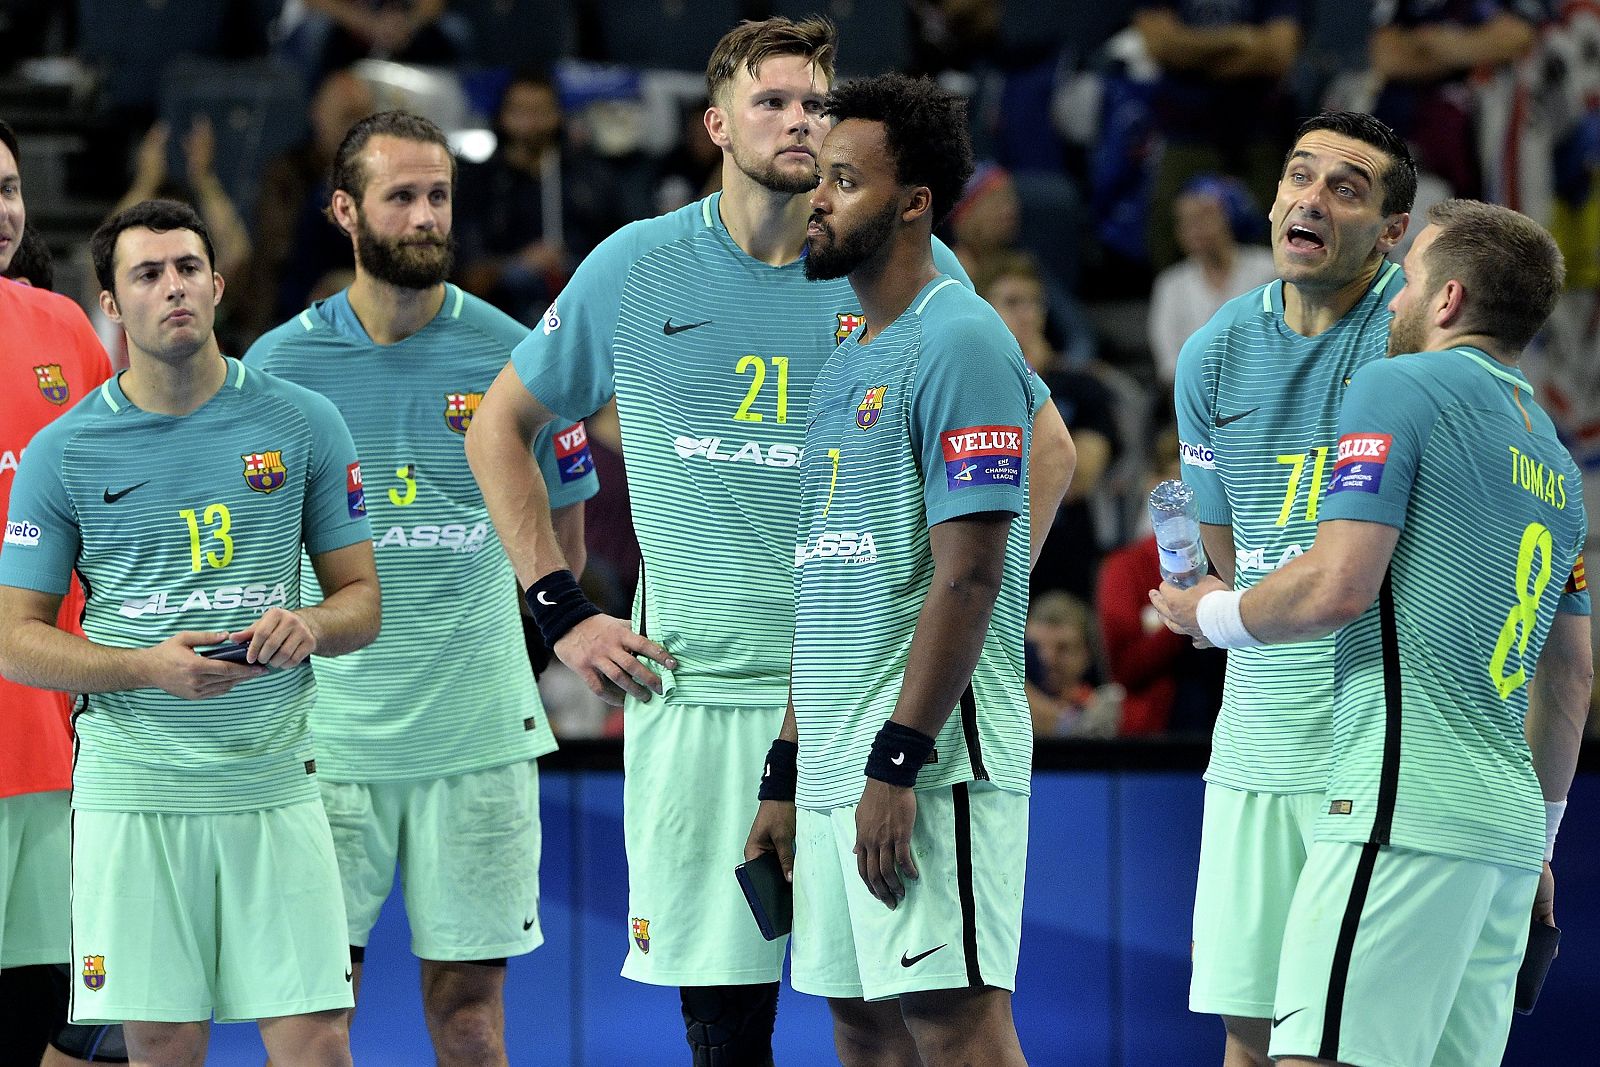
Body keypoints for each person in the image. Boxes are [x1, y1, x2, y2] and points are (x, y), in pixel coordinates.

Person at [464, 18, 1074, 1064]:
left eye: (816, 104)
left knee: (902, 1006)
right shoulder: (637, 266)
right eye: (774, 101)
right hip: (693, 691)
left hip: (864, 694)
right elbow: (496, 426)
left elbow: (1045, 448)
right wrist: (559, 608)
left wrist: (962, 593)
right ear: (714, 124)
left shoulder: (896, 271)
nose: (800, 120)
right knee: (730, 1013)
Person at [1153, 198, 1588, 1067]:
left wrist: (1210, 612)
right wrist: (1539, 845)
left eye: (1410, 282)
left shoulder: (1401, 384)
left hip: (1401, 803)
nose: (1392, 302)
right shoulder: (1558, 461)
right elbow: (1571, 679)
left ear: (1449, 298)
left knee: (1311, 1056)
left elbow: (1338, 585)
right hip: (1505, 835)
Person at [245, 109, 598, 1067]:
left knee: (470, 1014)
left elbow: (563, 523)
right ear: (345, 213)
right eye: (401, 196)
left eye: (437, 194)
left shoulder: (514, 354)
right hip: (326, 746)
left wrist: (527, 632)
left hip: (478, 737)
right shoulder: (278, 368)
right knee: (317, 1011)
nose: (426, 215)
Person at [0, 198, 380, 1067]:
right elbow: (14, 640)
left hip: (275, 781)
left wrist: (311, 626)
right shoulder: (66, 450)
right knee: (162, 1046)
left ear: (216, 282)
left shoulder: (303, 421)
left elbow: (361, 601)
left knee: (318, 1038)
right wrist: (143, 667)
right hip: (132, 794)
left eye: (186, 268)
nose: (172, 287)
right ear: (112, 304)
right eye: (146, 273)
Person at [747, 70, 1033, 1066]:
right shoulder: (845, 357)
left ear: (913, 204)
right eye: (818, 178)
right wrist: (786, 770)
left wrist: (895, 758)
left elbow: (970, 577)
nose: (816, 199)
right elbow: (823, 586)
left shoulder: (960, 341)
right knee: (862, 1025)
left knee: (952, 1023)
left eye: (844, 182)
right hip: (832, 764)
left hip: (926, 763)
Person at [1173, 110, 1417, 1067]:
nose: (1309, 199)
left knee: (1339, 1045)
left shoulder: (1413, 342)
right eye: (1298, 177)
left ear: (1392, 231)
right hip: (1256, 743)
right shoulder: (1212, 355)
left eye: (1345, 188)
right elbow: (1227, 566)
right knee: (1250, 1035)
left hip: (1377, 739)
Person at [0, 117, 123, 1067]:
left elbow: (115, 514)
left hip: (52, 745)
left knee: (50, 1021)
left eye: (7, 188)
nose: (2, 210)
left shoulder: (62, 328)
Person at [455, 69, 623, 326]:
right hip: (500, 322)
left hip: (579, 322)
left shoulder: (590, 179)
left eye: (540, 112)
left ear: (558, 115)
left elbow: (621, 264)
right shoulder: (478, 184)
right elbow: (467, 278)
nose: (530, 123)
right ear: (501, 116)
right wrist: (516, 266)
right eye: (520, 111)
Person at [1148, 175, 1277, 385]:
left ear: (1230, 215)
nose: (1193, 229)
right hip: (1198, 398)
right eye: (1184, 221)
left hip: (1266, 389)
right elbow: (1168, 363)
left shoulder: (1269, 270)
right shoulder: (1171, 284)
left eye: (1203, 217)